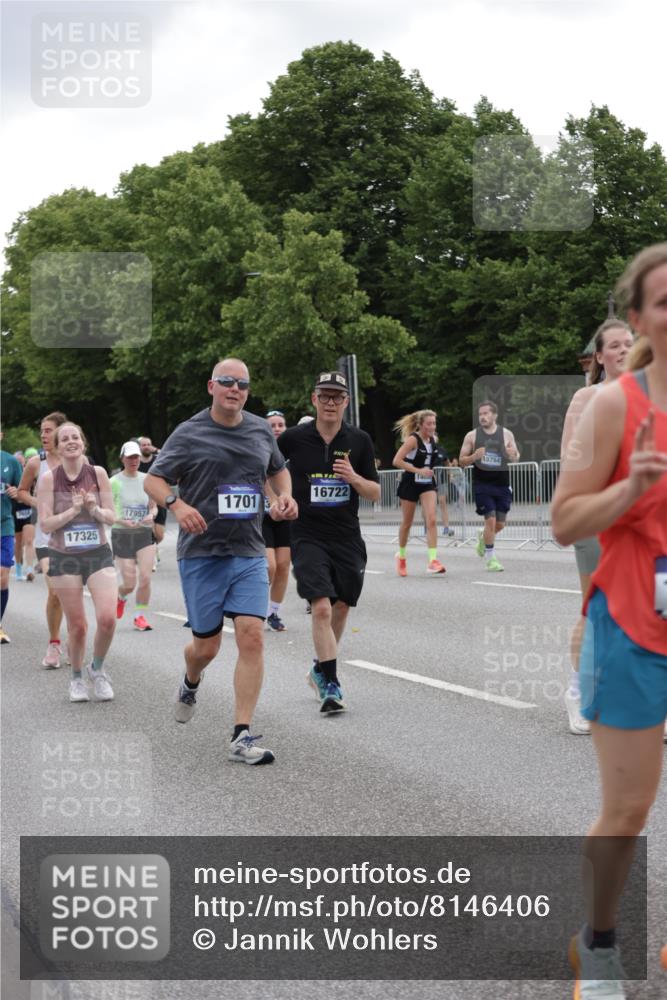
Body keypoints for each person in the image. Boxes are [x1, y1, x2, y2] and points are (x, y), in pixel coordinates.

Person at [552, 243, 667, 999]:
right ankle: (595, 942)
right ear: (638, 318)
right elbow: (564, 521)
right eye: (664, 301)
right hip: (632, 625)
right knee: (626, 811)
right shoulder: (613, 406)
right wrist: (627, 489)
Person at [144, 358, 297, 765]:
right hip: (202, 553)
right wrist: (177, 505)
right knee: (206, 647)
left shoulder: (261, 429)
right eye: (227, 382)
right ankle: (190, 680)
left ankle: (241, 735)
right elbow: (154, 481)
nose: (235, 389)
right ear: (212, 386)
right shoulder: (189, 432)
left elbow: (278, 471)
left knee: (252, 635)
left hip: (248, 549)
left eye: (242, 384)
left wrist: (283, 496)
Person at [278, 371, 380, 714]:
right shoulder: (293, 438)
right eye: (325, 396)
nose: (331, 402)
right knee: (320, 605)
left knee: (341, 606)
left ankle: (320, 667)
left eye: (337, 397)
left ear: (346, 402)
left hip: (346, 535)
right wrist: (278, 498)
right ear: (314, 400)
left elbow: (376, 493)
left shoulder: (360, 440)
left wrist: (353, 477)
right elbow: (267, 469)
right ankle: (332, 684)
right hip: (306, 533)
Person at [560, 319, 635, 735]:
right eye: (615, 345)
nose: (624, 350)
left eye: (630, 343)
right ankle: (578, 692)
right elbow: (571, 459)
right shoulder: (586, 397)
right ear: (600, 356)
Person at [38, 423, 117, 703]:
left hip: (97, 552)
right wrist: (72, 511)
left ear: (82, 443)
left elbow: (111, 516)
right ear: (58, 448)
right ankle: (76, 680)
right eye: (65, 439)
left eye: (75, 437)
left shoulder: (97, 474)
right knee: (79, 625)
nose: (71, 441)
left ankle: (96, 669)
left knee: (108, 618)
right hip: (64, 556)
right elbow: (45, 525)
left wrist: (94, 509)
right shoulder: (49, 479)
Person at [17, 412, 69, 667]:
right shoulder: (36, 463)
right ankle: (54, 643)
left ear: (61, 432)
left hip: (74, 538)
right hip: (46, 539)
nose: (43, 435)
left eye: (48, 430)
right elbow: (21, 491)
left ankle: (74, 639)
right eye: (42, 431)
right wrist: (41, 503)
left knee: (70, 593)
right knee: (57, 589)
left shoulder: (77, 461)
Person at [459, 401, 520, 571]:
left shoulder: (506, 434)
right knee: (491, 521)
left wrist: (511, 454)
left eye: (486, 413)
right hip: (482, 485)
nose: (483, 417)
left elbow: (516, 456)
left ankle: (483, 538)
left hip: (502, 485)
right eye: (480, 414)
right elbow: (461, 461)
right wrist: (473, 457)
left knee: (499, 525)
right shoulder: (472, 436)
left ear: (495, 415)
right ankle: (491, 559)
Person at [111, 441, 158, 631]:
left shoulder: (147, 479)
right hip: (122, 534)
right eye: (130, 457)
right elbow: (105, 511)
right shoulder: (113, 482)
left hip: (144, 533)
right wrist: (122, 521)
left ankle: (139, 616)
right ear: (122, 458)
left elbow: (154, 507)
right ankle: (121, 596)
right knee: (129, 583)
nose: (134, 460)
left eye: (137, 456)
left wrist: (151, 515)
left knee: (145, 577)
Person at [392, 410, 446, 576]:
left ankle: (432, 561)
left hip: (426, 483)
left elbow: (431, 461)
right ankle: (401, 556)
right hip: (410, 482)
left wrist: (429, 472)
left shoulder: (433, 440)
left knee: (431, 519)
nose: (432, 427)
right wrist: (418, 470)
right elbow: (396, 461)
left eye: (434, 423)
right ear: (421, 425)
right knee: (407, 523)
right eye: (429, 424)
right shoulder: (412, 440)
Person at [262, 410, 292, 632]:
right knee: (269, 566)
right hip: (262, 515)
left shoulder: (293, 452)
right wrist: (272, 501)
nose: (277, 428)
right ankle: (254, 608)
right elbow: (260, 478)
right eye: (272, 425)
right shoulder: (259, 449)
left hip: (285, 516)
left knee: (283, 566)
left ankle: (273, 612)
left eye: (280, 424)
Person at [0, 437, 23, 644]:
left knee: (3, 579)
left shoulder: (10, 462)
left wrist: (17, 492)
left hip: (4, 525)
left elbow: (24, 492)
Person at [138, 436, 166, 552]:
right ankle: (150, 552)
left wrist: (156, 450)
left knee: (159, 535)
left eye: (148, 444)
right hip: (142, 500)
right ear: (139, 447)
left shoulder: (158, 460)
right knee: (147, 529)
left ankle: (154, 547)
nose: (146, 447)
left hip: (158, 498)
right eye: (143, 445)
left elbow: (168, 454)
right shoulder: (135, 461)